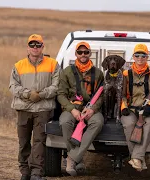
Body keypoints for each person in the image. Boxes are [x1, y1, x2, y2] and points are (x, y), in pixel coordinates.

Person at [9, 34, 60, 180]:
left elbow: (56, 86)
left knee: (39, 142)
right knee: (23, 142)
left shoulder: (53, 64)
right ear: (27, 47)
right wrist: (28, 94)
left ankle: (37, 173)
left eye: (38, 45)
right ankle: (25, 172)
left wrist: (42, 94)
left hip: (43, 109)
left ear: (43, 47)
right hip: (23, 109)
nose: (35, 47)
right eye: (32, 45)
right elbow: (13, 86)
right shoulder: (18, 65)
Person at [57, 41, 104, 176]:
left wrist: (92, 109)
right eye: (80, 52)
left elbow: (101, 96)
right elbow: (61, 94)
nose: (83, 55)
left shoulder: (98, 73)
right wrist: (72, 109)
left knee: (98, 122)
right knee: (65, 122)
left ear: (90, 53)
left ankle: (72, 158)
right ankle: (79, 158)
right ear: (76, 54)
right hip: (73, 107)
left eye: (86, 52)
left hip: (90, 108)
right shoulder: (67, 72)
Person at [120, 43, 150, 172]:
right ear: (133, 57)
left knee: (149, 124)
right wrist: (123, 107)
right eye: (137, 55)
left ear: (147, 57)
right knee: (129, 124)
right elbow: (121, 95)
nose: (140, 58)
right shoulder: (125, 74)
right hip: (131, 109)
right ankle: (138, 158)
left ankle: (136, 158)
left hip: (148, 110)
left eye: (143, 55)